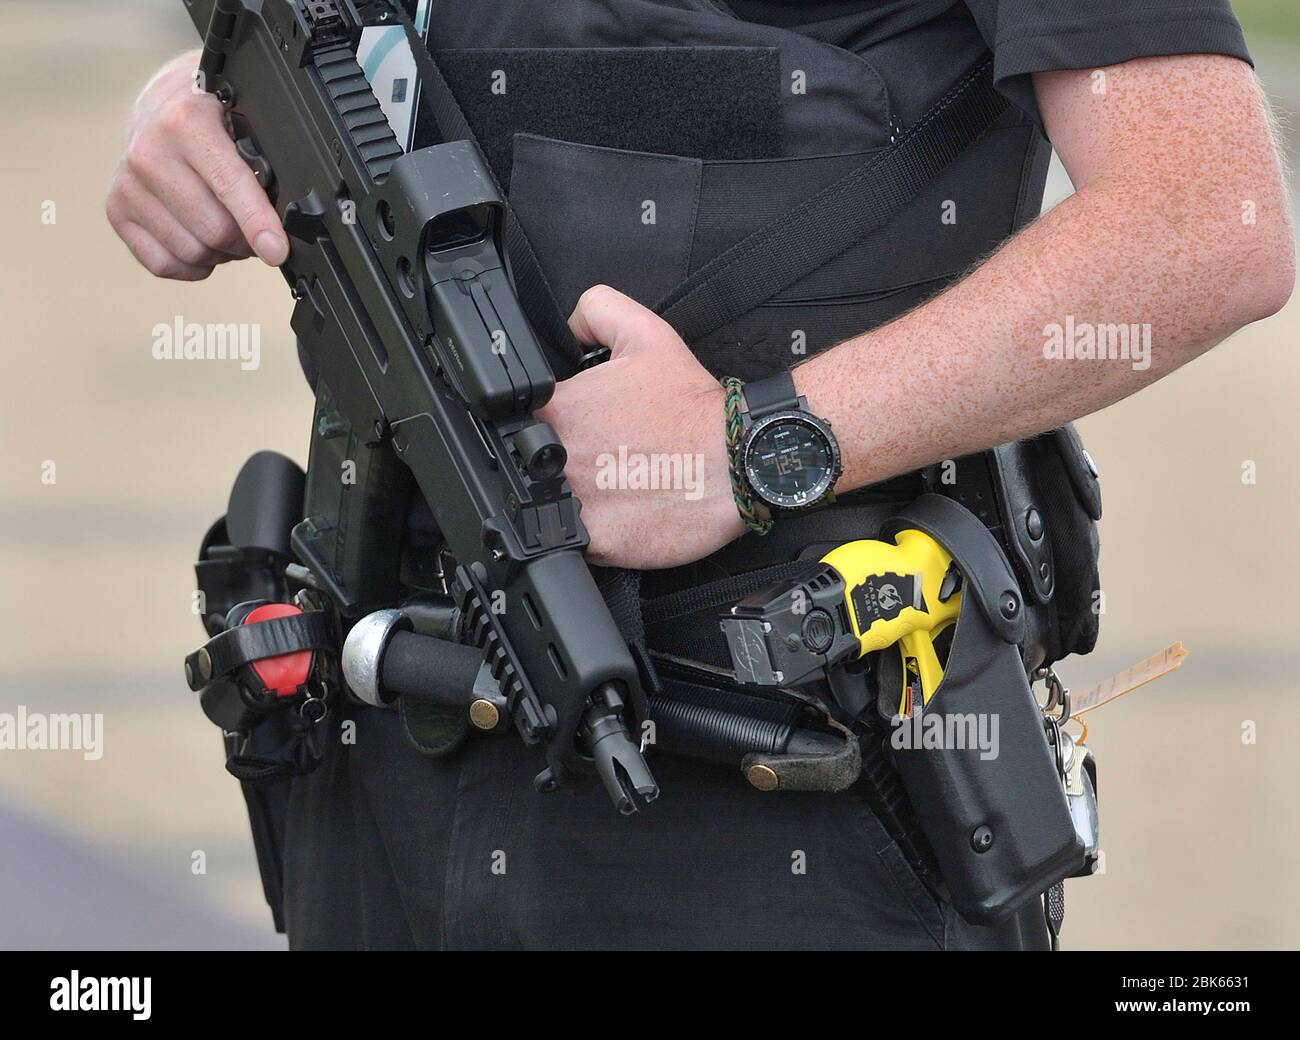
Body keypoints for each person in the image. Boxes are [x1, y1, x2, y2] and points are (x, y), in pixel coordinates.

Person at [108, 1, 1292, 950]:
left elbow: (1200, 224)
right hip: (382, 758)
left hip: (777, 782)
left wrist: (753, 445)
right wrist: (202, 99)